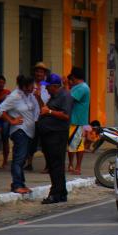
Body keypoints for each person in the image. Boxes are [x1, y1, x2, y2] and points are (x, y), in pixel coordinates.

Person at [0, 75, 39, 194]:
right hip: (20, 131)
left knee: (23, 158)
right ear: (25, 86)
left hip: (29, 131)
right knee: (19, 158)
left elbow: (36, 109)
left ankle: (21, 182)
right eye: (31, 85)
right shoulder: (15, 96)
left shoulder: (30, 96)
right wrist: (11, 120)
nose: (34, 87)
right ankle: (16, 184)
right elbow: (0, 110)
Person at [37, 73, 73, 204]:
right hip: (49, 135)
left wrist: (50, 112)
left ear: (55, 86)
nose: (46, 89)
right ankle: (61, 192)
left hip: (57, 135)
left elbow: (65, 116)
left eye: (48, 86)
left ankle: (56, 193)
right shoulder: (53, 97)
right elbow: (45, 110)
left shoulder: (65, 96)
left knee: (56, 164)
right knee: (53, 165)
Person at [25, 62, 51, 172]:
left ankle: (47, 165)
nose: (38, 73)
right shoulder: (29, 85)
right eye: (37, 71)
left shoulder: (48, 86)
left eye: (41, 71)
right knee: (31, 143)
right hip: (31, 118)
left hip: (44, 118)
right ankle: (29, 163)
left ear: (44, 73)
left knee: (46, 143)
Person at [67, 67, 90, 175]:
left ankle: (78, 167)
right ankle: (71, 164)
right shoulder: (78, 87)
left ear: (74, 77)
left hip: (77, 119)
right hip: (74, 119)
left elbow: (69, 99)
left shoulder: (82, 88)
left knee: (77, 144)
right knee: (72, 144)